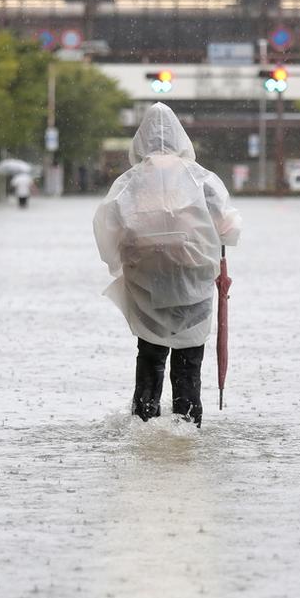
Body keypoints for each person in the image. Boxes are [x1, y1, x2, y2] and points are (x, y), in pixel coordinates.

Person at [93, 103, 241, 427]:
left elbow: (107, 231)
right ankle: (186, 430)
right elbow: (229, 229)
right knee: (189, 362)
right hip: (193, 282)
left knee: (150, 356)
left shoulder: (129, 183)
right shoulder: (201, 179)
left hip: (147, 283)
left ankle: (144, 422)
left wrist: (120, 264)